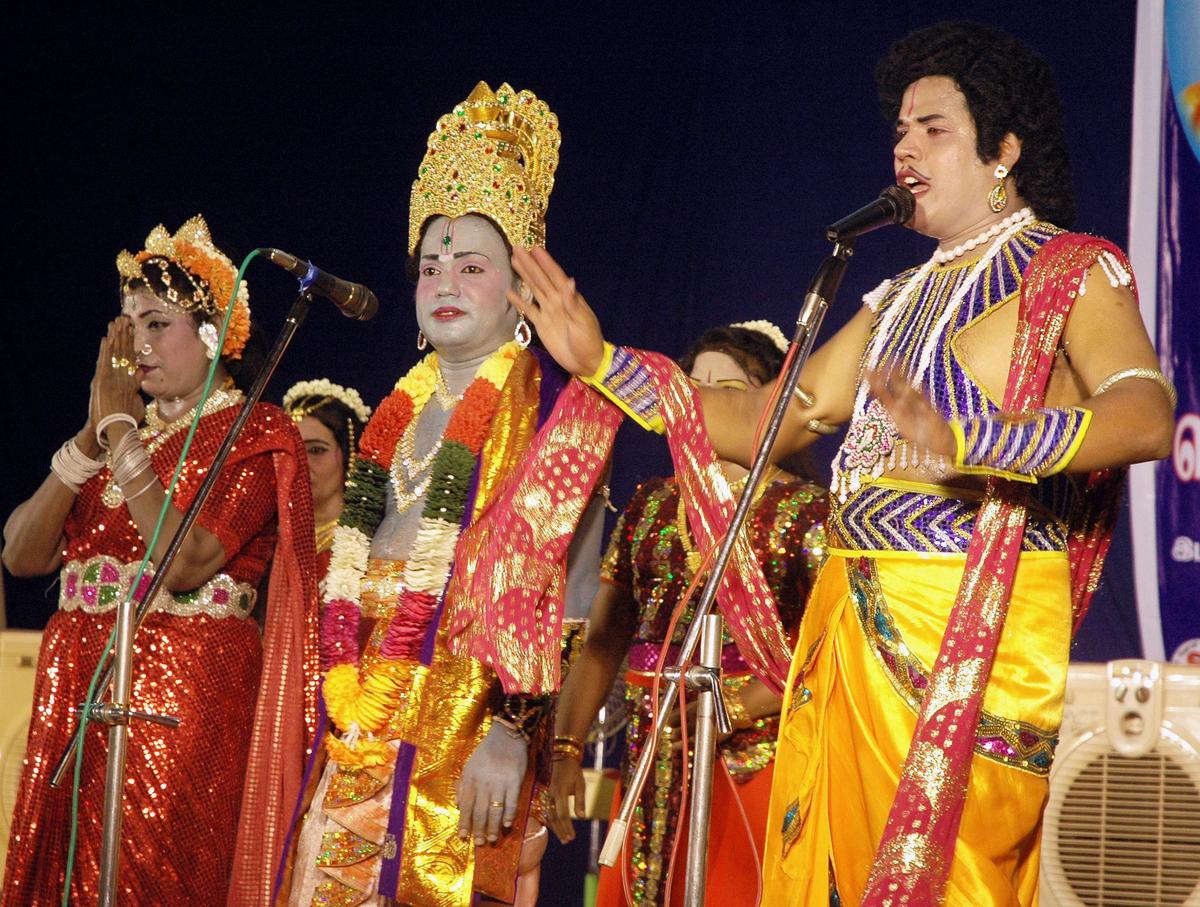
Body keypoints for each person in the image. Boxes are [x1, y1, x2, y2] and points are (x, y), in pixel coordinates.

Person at [508, 21, 1176, 906]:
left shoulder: (1071, 271)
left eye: (933, 128)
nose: (905, 148)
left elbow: (1146, 414)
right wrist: (601, 362)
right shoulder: (891, 299)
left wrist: (976, 441)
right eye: (899, 131)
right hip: (846, 626)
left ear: (1004, 149)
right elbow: (775, 416)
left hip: (964, 640)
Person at [284, 81, 620, 907]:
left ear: (519, 288)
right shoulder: (391, 417)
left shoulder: (552, 411)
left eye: (473, 266)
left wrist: (515, 733)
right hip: (355, 738)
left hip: (469, 754)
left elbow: (574, 598)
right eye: (430, 265)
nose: (445, 280)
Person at [1, 215, 318, 906]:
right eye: (126, 325)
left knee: (155, 879)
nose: (136, 345)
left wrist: (118, 433)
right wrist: (90, 436)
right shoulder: (119, 436)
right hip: (78, 692)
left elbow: (186, 561)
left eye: (155, 323)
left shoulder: (254, 431)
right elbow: (20, 554)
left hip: (181, 698)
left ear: (215, 336)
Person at [547, 321, 829, 906]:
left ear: (768, 406)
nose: (701, 403)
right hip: (653, 759)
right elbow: (603, 643)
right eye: (690, 386)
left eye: (725, 388)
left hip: (754, 762)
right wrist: (567, 749)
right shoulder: (652, 504)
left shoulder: (807, 513)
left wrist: (740, 702)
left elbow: (833, 651)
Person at [282, 379, 372, 581]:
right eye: (290, 451)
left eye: (316, 450)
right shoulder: (267, 546)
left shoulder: (367, 548)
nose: (300, 463)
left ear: (350, 456)